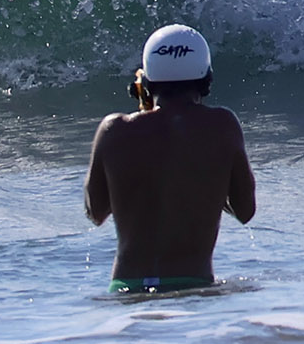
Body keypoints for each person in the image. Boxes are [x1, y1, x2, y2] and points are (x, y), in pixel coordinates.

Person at [83, 24, 256, 294]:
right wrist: (207, 187)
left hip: (127, 287)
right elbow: (245, 211)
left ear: (146, 80)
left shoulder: (113, 129)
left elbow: (96, 212)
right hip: (192, 287)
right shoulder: (222, 125)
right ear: (206, 79)